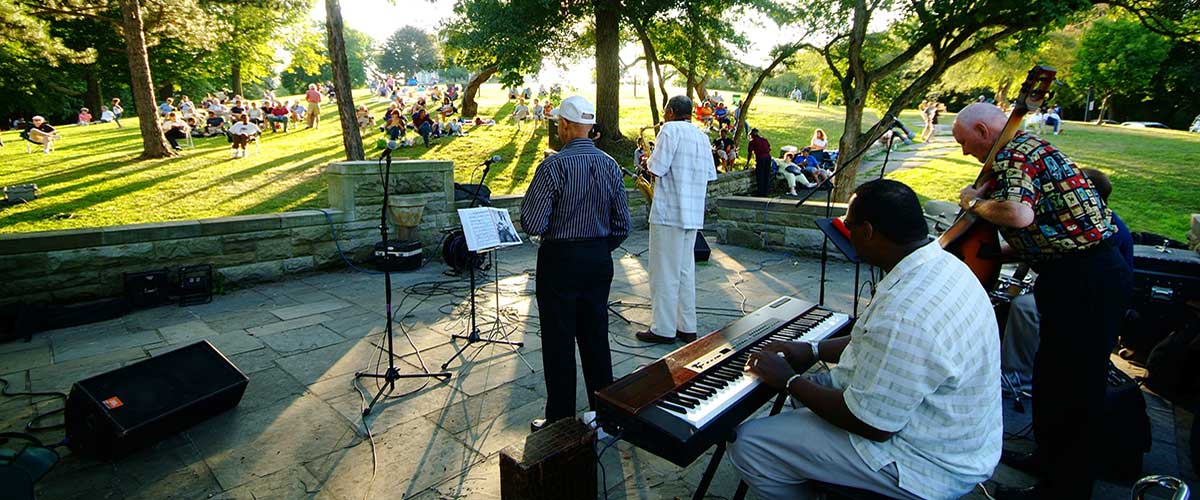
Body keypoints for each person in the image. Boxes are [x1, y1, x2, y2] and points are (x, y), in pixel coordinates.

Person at [732, 179, 1001, 500]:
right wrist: (813, 349)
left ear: (869, 231)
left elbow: (872, 424)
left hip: (927, 463)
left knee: (750, 442)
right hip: (957, 438)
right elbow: (877, 341)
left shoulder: (906, 313)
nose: (846, 233)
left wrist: (788, 380)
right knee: (815, 392)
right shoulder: (943, 266)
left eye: (849, 226)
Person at [952, 103, 1131, 499]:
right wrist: (1001, 253)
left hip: (1085, 280)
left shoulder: (1014, 152)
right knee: (1053, 379)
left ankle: (1064, 488)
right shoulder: (1029, 148)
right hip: (1080, 274)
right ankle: (1049, 460)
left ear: (983, 130)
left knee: (1074, 387)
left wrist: (972, 202)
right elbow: (1056, 224)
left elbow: (1018, 215)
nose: (966, 152)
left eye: (965, 143)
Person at [520, 95, 630, 430]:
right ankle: (603, 414)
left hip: (560, 260)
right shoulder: (610, 165)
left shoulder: (553, 166)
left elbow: (533, 223)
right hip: (598, 258)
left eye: (558, 124)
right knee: (596, 335)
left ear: (565, 125)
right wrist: (597, 248)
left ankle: (560, 419)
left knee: (558, 340)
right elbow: (622, 225)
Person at [999, 166, 1134, 398]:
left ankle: (1019, 378)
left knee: (1025, 308)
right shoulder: (1088, 219)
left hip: (1092, 302)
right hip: (1080, 289)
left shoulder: (1102, 229)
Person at [636, 95, 717, 345]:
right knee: (684, 271)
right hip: (692, 214)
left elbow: (657, 168)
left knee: (664, 273)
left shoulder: (669, 130)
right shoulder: (702, 136)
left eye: (665, 111)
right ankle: (686, 326)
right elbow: (710, 174)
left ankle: (663, 329)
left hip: (669, 212)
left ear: (670, 111)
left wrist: (646, 162)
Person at [748, 128, 772, 196]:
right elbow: (769, 148)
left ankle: (760, 192)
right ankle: (765, 191)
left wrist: (747, 163)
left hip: (761, 158)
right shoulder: (764, 140)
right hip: (768, 157)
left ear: (752, 135)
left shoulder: (752, 142)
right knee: (766, 174)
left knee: (760, 175)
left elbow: (750, 153)